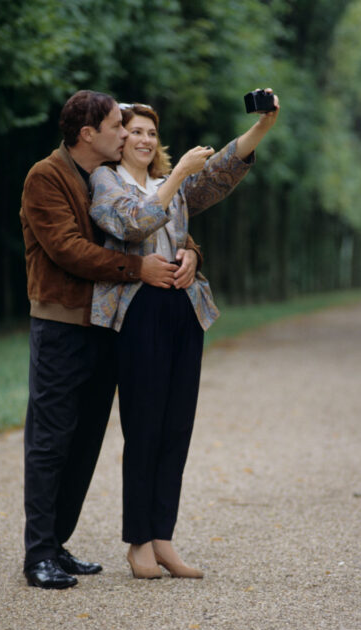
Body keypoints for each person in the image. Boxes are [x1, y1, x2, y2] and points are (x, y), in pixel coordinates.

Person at [88, 94, 279, 579]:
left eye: (152, 133)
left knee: (176, 427)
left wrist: (263, 125)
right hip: (138, 310)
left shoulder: (165, 183)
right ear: (119, 137)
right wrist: (175, 177)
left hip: (183, 308)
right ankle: (138, 542)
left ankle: (163, 538)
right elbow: (131, 224)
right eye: (135, 131)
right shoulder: (106, 181)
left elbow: (219, 173)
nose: (145, 140)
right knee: (144, 426)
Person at [18, 90, 200, 589]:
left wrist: (191, 253)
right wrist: (137, 269)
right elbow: (68, 249)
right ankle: (38, 554)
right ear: (87, 134)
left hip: (106, 325)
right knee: (50, 441)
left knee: (85, 441)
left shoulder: (102, 176)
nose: (125, 133)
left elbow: (153, 228)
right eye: (118, 127)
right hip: (61, 324)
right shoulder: (46, 177)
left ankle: (57, 542)